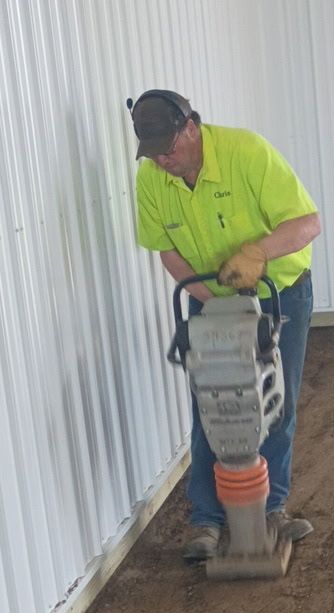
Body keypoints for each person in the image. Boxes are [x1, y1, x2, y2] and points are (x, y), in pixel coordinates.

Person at [129, 90, 321, 563]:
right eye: (153, 153)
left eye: (169, 148)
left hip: (280, 292)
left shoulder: (246, 153)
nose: (163, 160)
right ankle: (208, 520)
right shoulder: (151, 178)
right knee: (211, 403)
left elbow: (308, 223)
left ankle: (271, 510)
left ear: (191, 126)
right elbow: (166, 251)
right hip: (209, 299)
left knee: (274, 399)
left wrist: (257, 253)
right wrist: (215, 302)